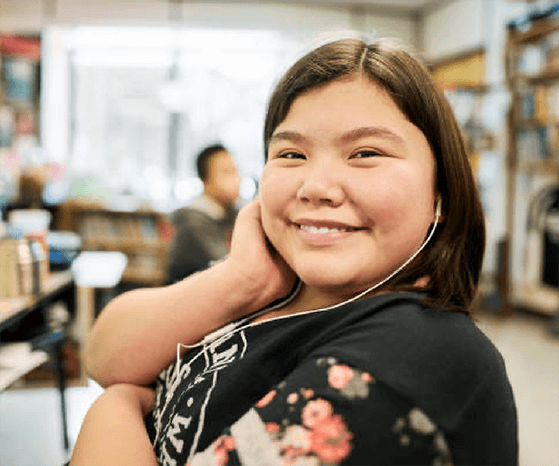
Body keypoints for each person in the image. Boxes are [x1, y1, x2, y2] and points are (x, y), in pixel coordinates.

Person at [70, 37, 518, 466]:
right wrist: (240, 281)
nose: (315, 187)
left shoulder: (415, 359)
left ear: (440, 190)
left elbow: (114, 381)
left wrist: (117, 405)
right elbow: (105, 354)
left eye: (365, 153)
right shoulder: (275, 287)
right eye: (291, 154)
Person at [167, 143, 240, 284]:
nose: (236, 180)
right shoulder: (192, 221)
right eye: (227, 172)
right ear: (205, 181)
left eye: (236, 171)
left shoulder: (231, 213)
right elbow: (229, 265)